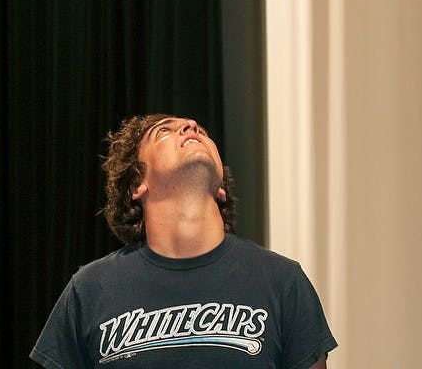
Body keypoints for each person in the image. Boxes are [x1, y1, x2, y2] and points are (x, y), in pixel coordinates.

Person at [31, 113, 337, 368]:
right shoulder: (90, 290)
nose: (191, 126)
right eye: (164, 131)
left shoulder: (283, 281)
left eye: (200, 130)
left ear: (221, 189)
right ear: (137, 183)